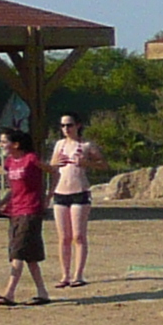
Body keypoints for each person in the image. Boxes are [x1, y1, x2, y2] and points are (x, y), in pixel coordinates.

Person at [0, 129, 49, 305]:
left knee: (18, 252)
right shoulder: (9, 163)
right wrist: (0, 204)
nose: (2, 145)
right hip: (15, 211)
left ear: (15, 144)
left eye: (4, 142)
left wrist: (48, 197)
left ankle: (9, 293)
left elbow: (53, 171)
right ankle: (42, 293)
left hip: (30, 211)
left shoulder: (31, 159)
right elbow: (13, 189)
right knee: (29, 256)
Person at [48, 113, 101, 289]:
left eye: (69, 125)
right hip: (60, 192)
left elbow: (104, 164)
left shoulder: (86, 145)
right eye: (62, 126)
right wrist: (54, 163)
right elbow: (52, 168)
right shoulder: (59, 145)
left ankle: (78, 274)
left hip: (80, 192)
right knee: (64, 237)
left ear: (78, 125)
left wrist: (86, 163)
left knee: (78, 235)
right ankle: (65, 275)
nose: (66, 129)